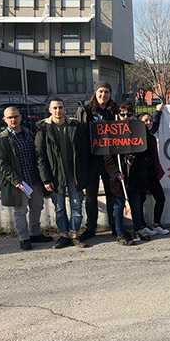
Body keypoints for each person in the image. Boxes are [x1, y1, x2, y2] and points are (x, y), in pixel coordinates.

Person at [0, 106, 52, 250]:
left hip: (34, 178)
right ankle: (24, 238)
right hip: (19, 182)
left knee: (37, 207)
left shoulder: (29, 134)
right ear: (4, 119)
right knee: (20, 211)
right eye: (10, 117)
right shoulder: (3, 139)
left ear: (20, 117)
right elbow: (0, 163)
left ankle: (35, 233)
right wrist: (16, 180)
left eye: (16, 116)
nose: (13, 120)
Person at [35, 98, 90, 249]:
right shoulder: (43, 129)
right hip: (55, 176)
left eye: (60, 107)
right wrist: (46, 179)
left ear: (65, 109)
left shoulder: (75, 126)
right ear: (50, 110)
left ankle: (75, 234)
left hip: (74, 175)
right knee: (59, 208)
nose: (58, 111)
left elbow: (84, 151)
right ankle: (64, 235)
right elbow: (40, 156)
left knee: (77, 205)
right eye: (55, 108)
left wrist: (83, 174)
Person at [103, 102, 153, 245]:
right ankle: (120, 232)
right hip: (119, 178)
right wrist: (116, 173)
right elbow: (107, 157)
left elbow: (148, 154)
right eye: (122, 114)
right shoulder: (111, 131)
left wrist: (137, 162)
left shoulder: (140, 130)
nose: (126, 117)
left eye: (129, 115)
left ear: (133, 115)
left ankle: (138, 229)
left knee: (136, 204)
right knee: (118, 205)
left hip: (136, 176)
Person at [75, 81, 118, 240]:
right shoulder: (85, 109)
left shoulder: (115, 110)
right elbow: (79, 133)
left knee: (112, 194)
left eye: (106, 92)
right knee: (91, 196)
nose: (103, 95)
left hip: (109, 159)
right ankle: (91, 227)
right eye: (100, 91)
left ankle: (115, 225)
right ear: (95, 93)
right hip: (91, 159)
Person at [138, 110, 169, 235]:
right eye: (145, 120)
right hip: (141, 174)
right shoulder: (137, 137)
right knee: (140, 201)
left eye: (150, 120)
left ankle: (156, 224)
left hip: (152, 174)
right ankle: (143, 226)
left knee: (160, 198)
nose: (149, 122)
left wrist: (158, 112)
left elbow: (155, 124)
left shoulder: (150, 135)